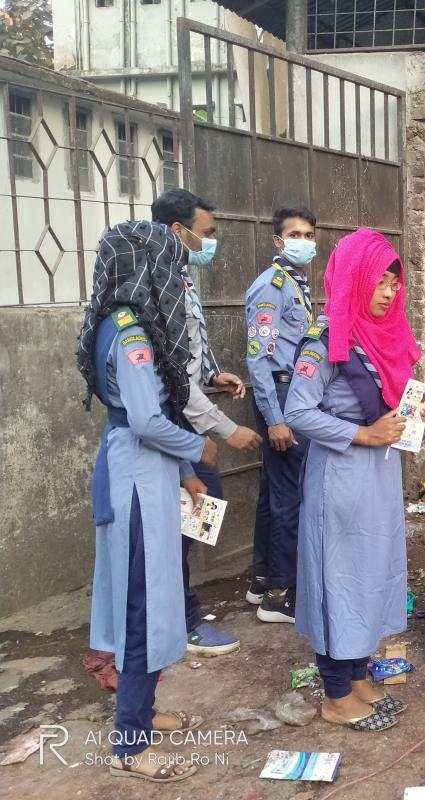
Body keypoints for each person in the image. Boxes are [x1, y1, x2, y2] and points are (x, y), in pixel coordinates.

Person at [77, 220, 217, 783]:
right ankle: (129, 743)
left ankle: (144, 712)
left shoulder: (130, 324)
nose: (177, 275)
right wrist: (198, 448)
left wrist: (184, 472)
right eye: (170, 265)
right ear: (148, 269)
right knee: (144, 603)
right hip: (135, 481)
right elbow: (145, 419)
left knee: (155, 598)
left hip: (148, 473)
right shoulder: (130, 332)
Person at [285, 229, 425, 731]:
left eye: (395, 282)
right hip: (342, 477)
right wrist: (363, 434)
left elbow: (393, 397)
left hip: (378, 477)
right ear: (354, 278)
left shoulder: (384, 333)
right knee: (339, 578)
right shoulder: (325, 337)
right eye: (379, 281)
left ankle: (360, 671)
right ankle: (335, 692)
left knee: (372, 572)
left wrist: (410, 414)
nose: (389, 292)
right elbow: (297, 411)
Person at [151, 189, 261, 657]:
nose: (211, 242)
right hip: (174, 428)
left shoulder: (178, 278)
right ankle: (179, 623)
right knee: (183, 520)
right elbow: (172, 376)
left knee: (196, 518)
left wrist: (215, 372)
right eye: (207, 233)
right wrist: (224, 428)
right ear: (179, 231)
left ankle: (179, 612)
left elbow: (191, 348)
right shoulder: (155, 285)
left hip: (186, 423)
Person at [244, 206, 317, 623]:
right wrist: (275, 418)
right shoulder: (271, 287)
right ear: (277, 240)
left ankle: (262, 580)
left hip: (291, 393)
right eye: (295, 234)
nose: (303, 242)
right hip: (282, 395)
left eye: (308, 235)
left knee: (275, 491)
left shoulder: (294, 283)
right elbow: (259, 358)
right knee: (290, 494)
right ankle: (282, 595)